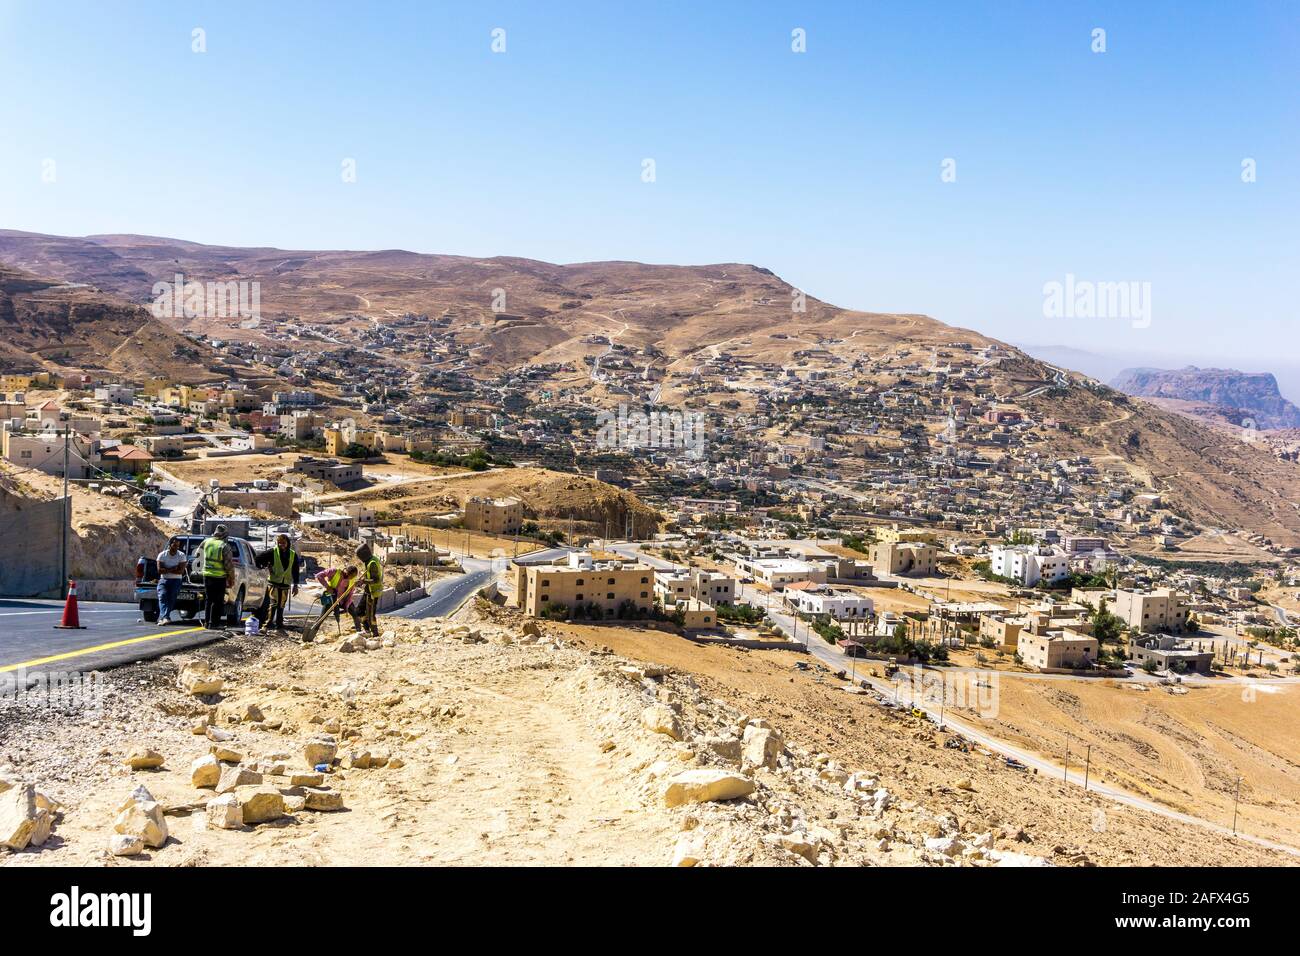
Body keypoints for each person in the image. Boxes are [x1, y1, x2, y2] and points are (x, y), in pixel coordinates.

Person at [255, 533, 300, 632]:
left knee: (281, 605)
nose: (281, 545)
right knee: (273, 604)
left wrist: (296, 585)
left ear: (287, 543)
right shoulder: (272, 552)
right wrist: (266, 566)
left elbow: (295, 570)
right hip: (274, 582)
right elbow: (258, 559)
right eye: (279, 543)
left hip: (285, 584)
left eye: (283, 543)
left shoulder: (293, 554)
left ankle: (279, 625)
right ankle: (267, 624)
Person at [200, 524, 236, 629]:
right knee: (218, 601)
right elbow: (229, 565)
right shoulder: (224, 546)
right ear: (225, 535)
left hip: (207, 575)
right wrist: (231, 578)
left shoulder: (206, 542)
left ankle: (207, 623)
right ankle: (214, 624)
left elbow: (198, 554)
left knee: (208, 600)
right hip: (219, 577)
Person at [155, 536, 188, 625]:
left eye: (178, 546)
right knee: (162, 596)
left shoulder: (181, 555)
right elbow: (159, 570)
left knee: (171, 598)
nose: (176, 547)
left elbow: (180, 571)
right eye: (174, 545)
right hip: (163, 579)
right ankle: (165, 617)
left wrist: (166, 569)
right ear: (170, 545)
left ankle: (164, 617)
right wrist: (173, 568)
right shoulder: (162, 555)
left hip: (176, 580)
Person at [355, 543, 384, 637]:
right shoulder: (369, 560)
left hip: (373, 592)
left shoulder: (372, 563)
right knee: (359, 611)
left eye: (360, 556)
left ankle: (375, 634)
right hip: (368, 590)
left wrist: (363, 581)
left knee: (370, 615)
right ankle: (367, 630)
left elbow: (376, 579)